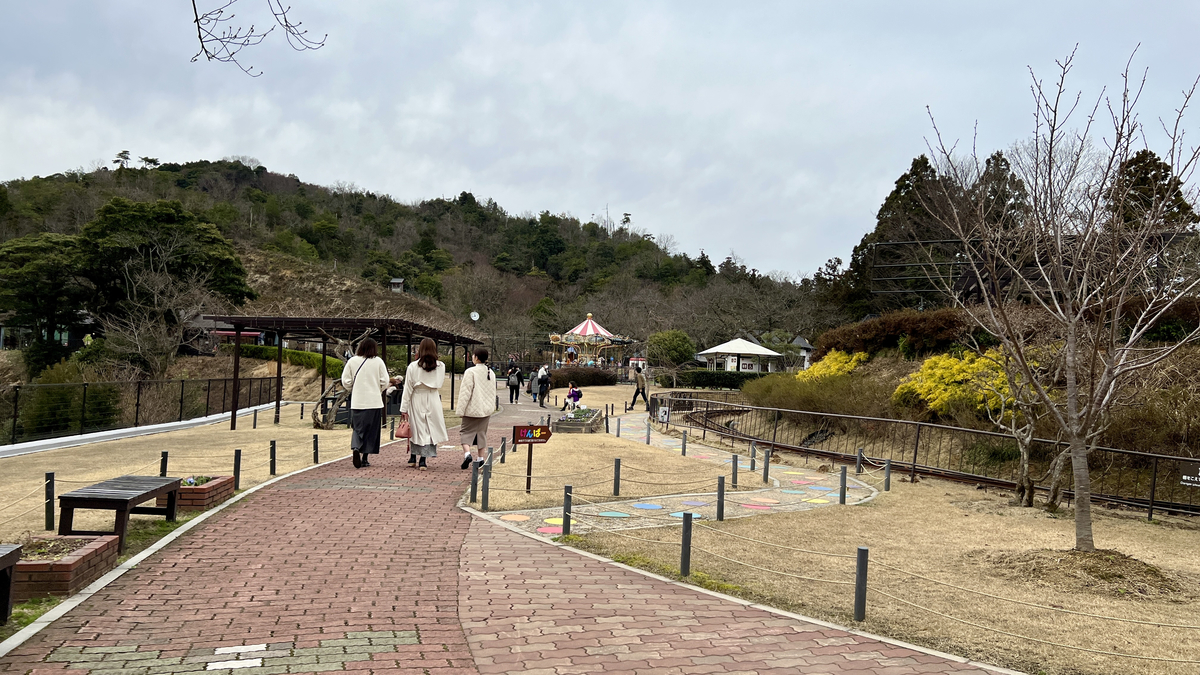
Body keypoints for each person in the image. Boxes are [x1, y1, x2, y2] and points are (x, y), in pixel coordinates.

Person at [400, 338, 449, 470]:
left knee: (416, 427)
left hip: (417, 397)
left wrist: (403, 407)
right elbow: (439, 383)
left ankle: (413, 456)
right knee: (429, 427)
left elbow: (408, 388)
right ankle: (423, 459)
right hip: (433, 397)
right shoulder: (441, 366)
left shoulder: (413, 366)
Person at [341, 338, 390, 468]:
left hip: (357, 401)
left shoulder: (352, 361)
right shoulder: (378, 361)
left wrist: (354, 389)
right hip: (374, 402)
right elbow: (385, 381)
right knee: (371, 430)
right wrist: (377, 389)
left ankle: (356, 447)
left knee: (357, 428)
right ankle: (365, 458)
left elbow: (345, 381)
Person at [456, 347, 497, 470]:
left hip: (472, 409)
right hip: (486, 410)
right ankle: (480, 458)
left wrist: (461, 410)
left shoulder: (470, 371)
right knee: (481, 433)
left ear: (476, 358)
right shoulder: (491, 372)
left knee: (465, 432)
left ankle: (467, 454)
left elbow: (465, 393)